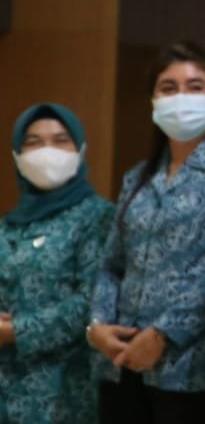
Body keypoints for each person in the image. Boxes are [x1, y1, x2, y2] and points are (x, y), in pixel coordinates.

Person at [89, 42, 205, 423]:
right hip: (120, 361)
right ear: (153, 101)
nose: (181, 97)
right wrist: (97, 326)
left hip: (191, 370)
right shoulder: (136, 178)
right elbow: (112, 264)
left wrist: (162, 335)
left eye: (195, 87)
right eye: (168, 87)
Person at [0, 103, 114, 422]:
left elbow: (92, 302)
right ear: (17, 155)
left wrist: (16, 331)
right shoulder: (7, 226)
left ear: (80, 150)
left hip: (63, 390)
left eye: (61, 141)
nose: (47, 151)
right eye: (33, 142)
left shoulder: (98, 218)